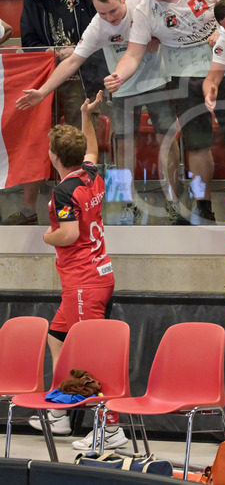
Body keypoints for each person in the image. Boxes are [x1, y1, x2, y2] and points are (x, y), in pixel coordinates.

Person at [16, 0, 176, 226]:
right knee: (122, 146)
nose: (109, 18)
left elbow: (174, 16)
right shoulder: (97, 26)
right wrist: (42, 91)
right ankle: (127, 203)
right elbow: (71, 63)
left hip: (157, 80)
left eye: (113, 11)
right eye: (102, 13)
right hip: (121, 87)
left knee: (167, 138)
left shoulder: (144, 0)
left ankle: (174, 201)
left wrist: (159, 34)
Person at [105, 0, 225, 225]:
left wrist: (222, 30)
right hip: (184, 79)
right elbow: (133, 55)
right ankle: (201, 205)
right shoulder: (146, 10)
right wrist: (118, 76)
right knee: (197, 146)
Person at [28, 91, 129, 450]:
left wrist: (46, 234)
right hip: (98, 276)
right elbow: (92, 152)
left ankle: (111, 428)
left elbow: (68, 234)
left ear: (53, 157)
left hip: (84, 283)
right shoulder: (89, 176)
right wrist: (87, 114)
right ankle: (60, 411)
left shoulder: (63, 191)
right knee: (58, 336)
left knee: (92, 354)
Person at [5, 0, 104, 227]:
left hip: (83, 79)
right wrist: (49, 51)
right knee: (35, 139)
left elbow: (104, 34)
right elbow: (29, 41)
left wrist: (78, 51)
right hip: (48, 77)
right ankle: (28, 209)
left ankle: (78, 203)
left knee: (75, 143)